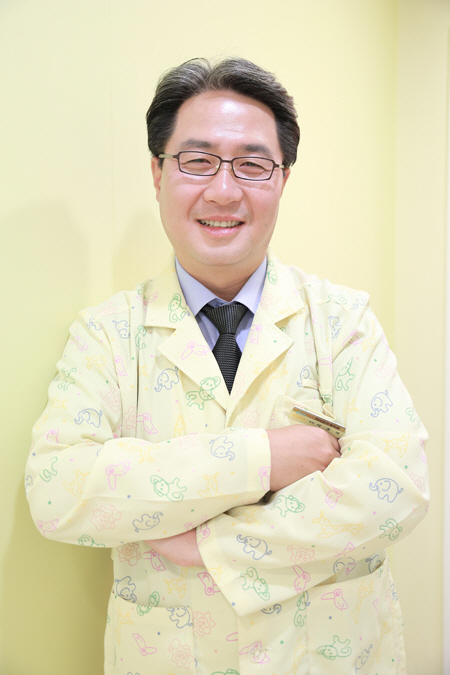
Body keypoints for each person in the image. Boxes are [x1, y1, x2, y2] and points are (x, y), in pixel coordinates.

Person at [25, 57, 429, 675]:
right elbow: (58, 490)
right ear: (158, 172)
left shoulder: (342, 320)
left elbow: (396, 486)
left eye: (251, 164)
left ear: (283, 180)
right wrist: (265, 457)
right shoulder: (107, 334)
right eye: (197, 160)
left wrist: (211, 544)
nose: (222, 190)